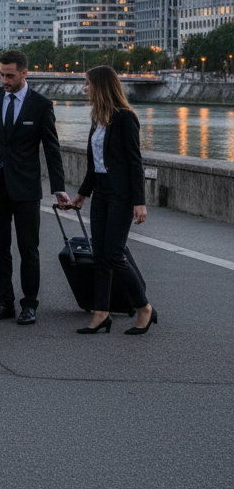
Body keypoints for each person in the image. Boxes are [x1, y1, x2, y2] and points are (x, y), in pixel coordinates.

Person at [0, 49, 69, 325]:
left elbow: (52, 149)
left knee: (28, 249)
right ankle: (3, 302)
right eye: (1, 74)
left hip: (26, 189)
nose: (4, 80)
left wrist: (59, 187)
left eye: (9, 75)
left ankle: (29, 305)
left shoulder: (42, 105)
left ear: (24, 73)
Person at [65, 65, 156, 336]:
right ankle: (101, 313)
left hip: (121, 194)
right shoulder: (98, 118)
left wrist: (139, 202)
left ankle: (144, 308)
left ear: (101, 86)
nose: (85, 89)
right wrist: (82, 194)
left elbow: (134, 162)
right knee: (100, 257)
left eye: (88, 84)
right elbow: (94, 165)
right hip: (102, 193)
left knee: (114, 254)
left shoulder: (126, 118)